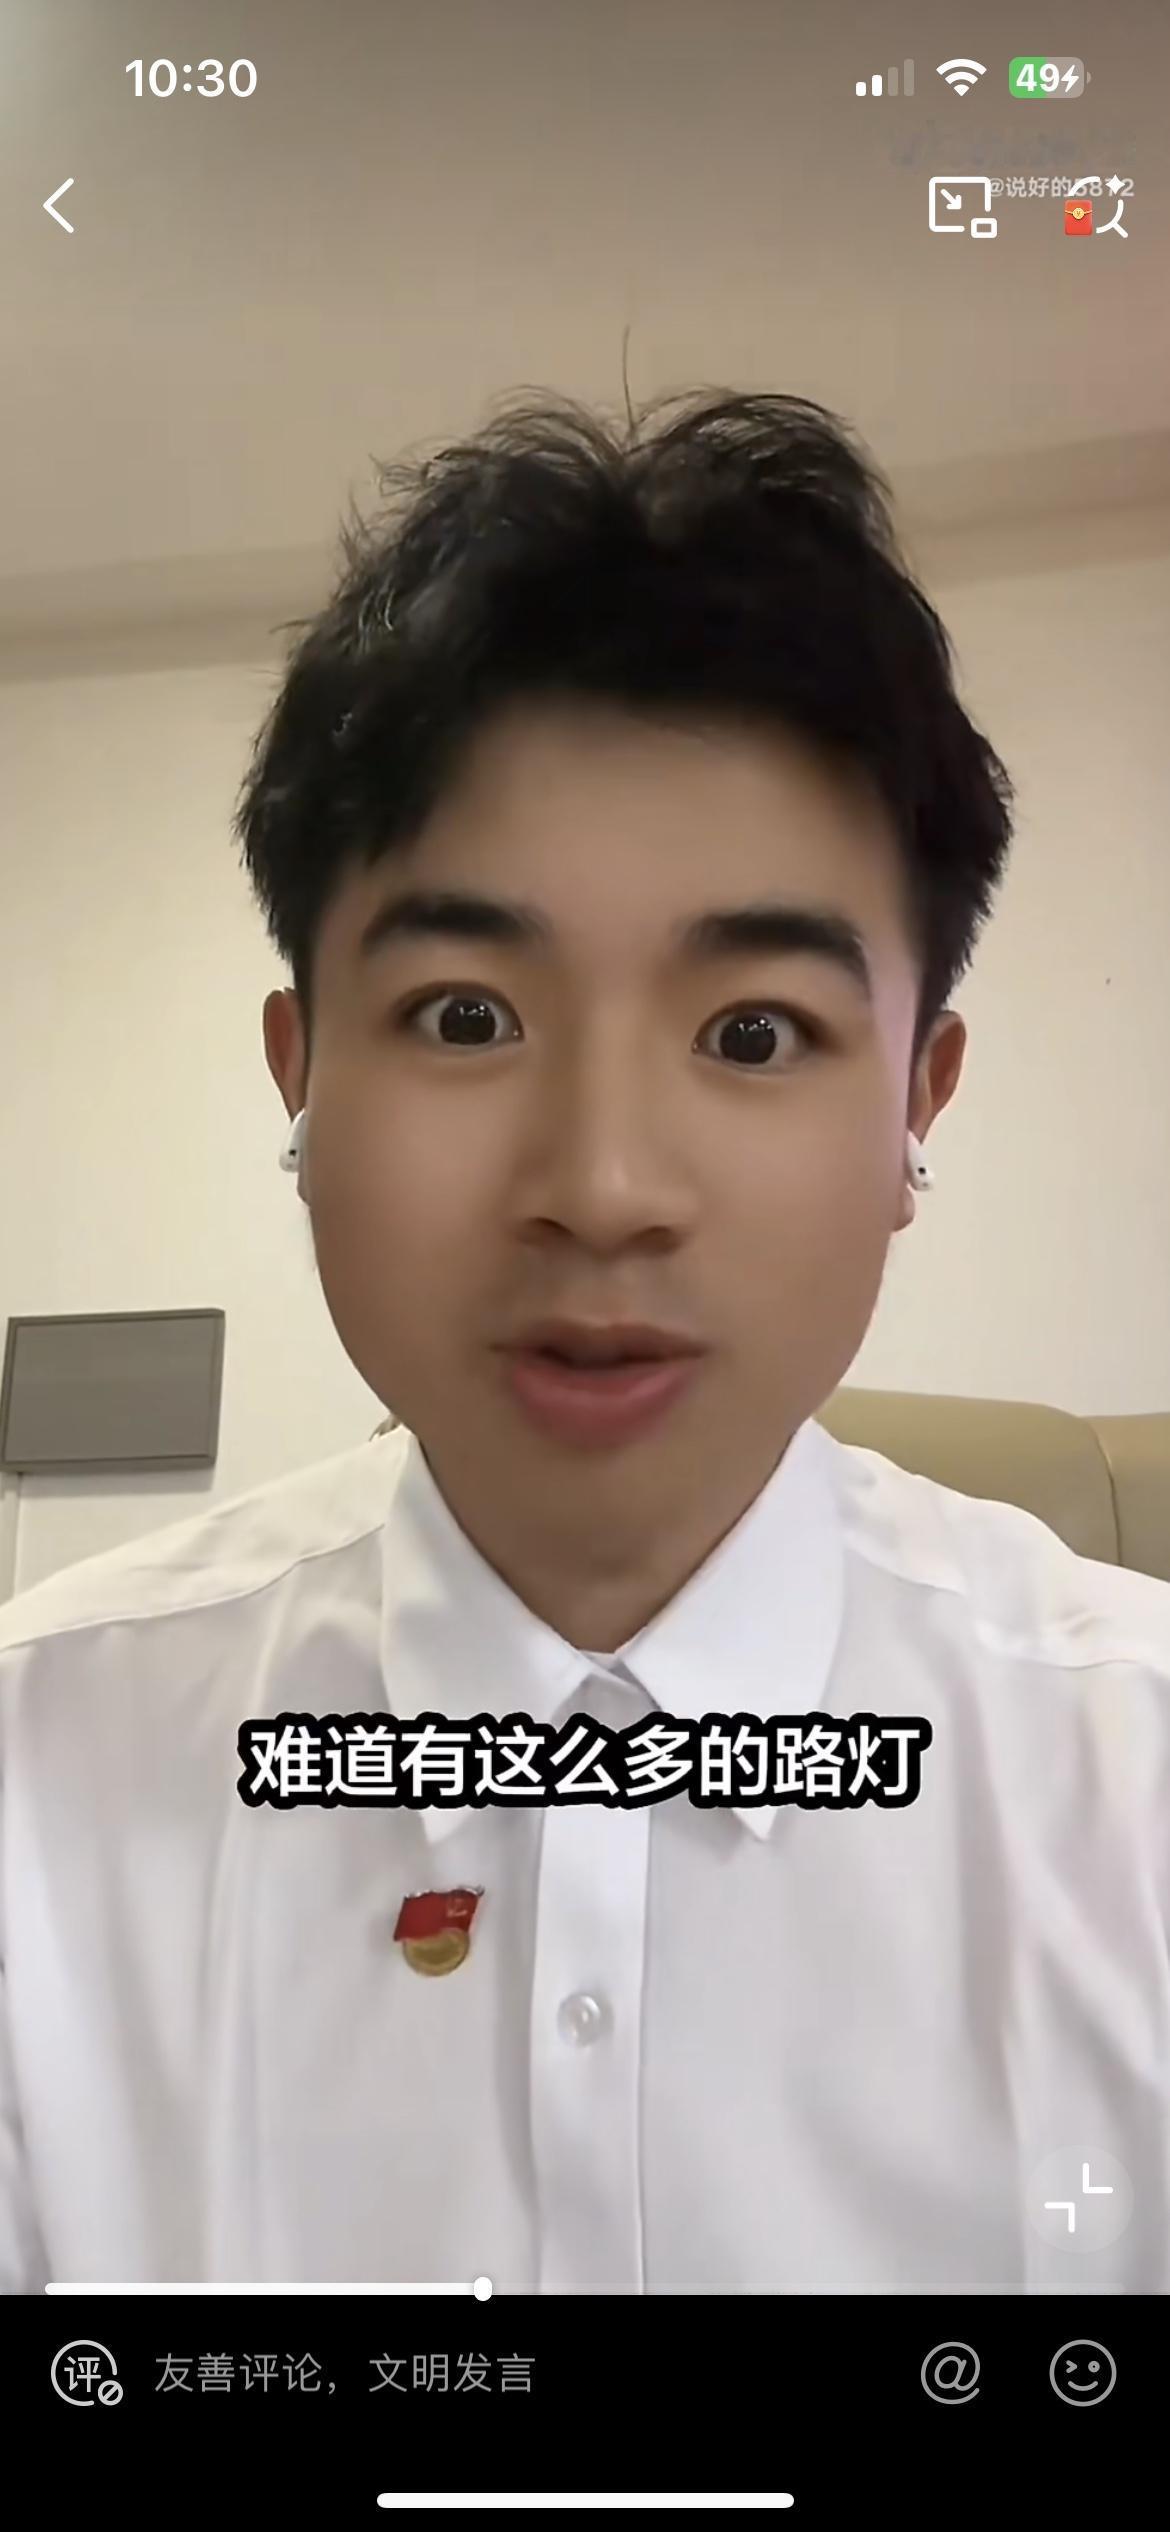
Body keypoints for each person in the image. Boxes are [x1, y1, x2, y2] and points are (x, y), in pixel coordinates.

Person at [2, 386, 1168, 2295]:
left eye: (752, 1034)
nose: (604, 1187)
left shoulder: (1133, 1791)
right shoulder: (34, 1781)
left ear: (915, 1105)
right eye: (466, 1017)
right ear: (301, 1077)